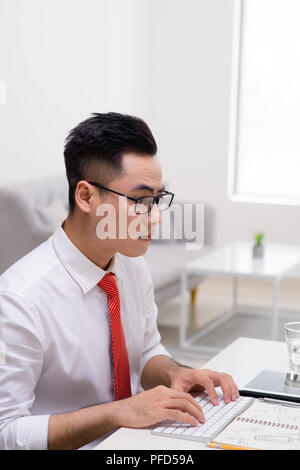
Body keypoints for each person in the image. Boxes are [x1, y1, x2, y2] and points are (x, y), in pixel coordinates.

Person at [0, 113, 239, 450]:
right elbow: (6, 432)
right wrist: (117, 412)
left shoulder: (130, 265)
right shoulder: (19, 300)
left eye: (157, 200)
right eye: (141, 201)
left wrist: (174, 373)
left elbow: (146, 351)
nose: (155, 217)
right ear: (85, 197)